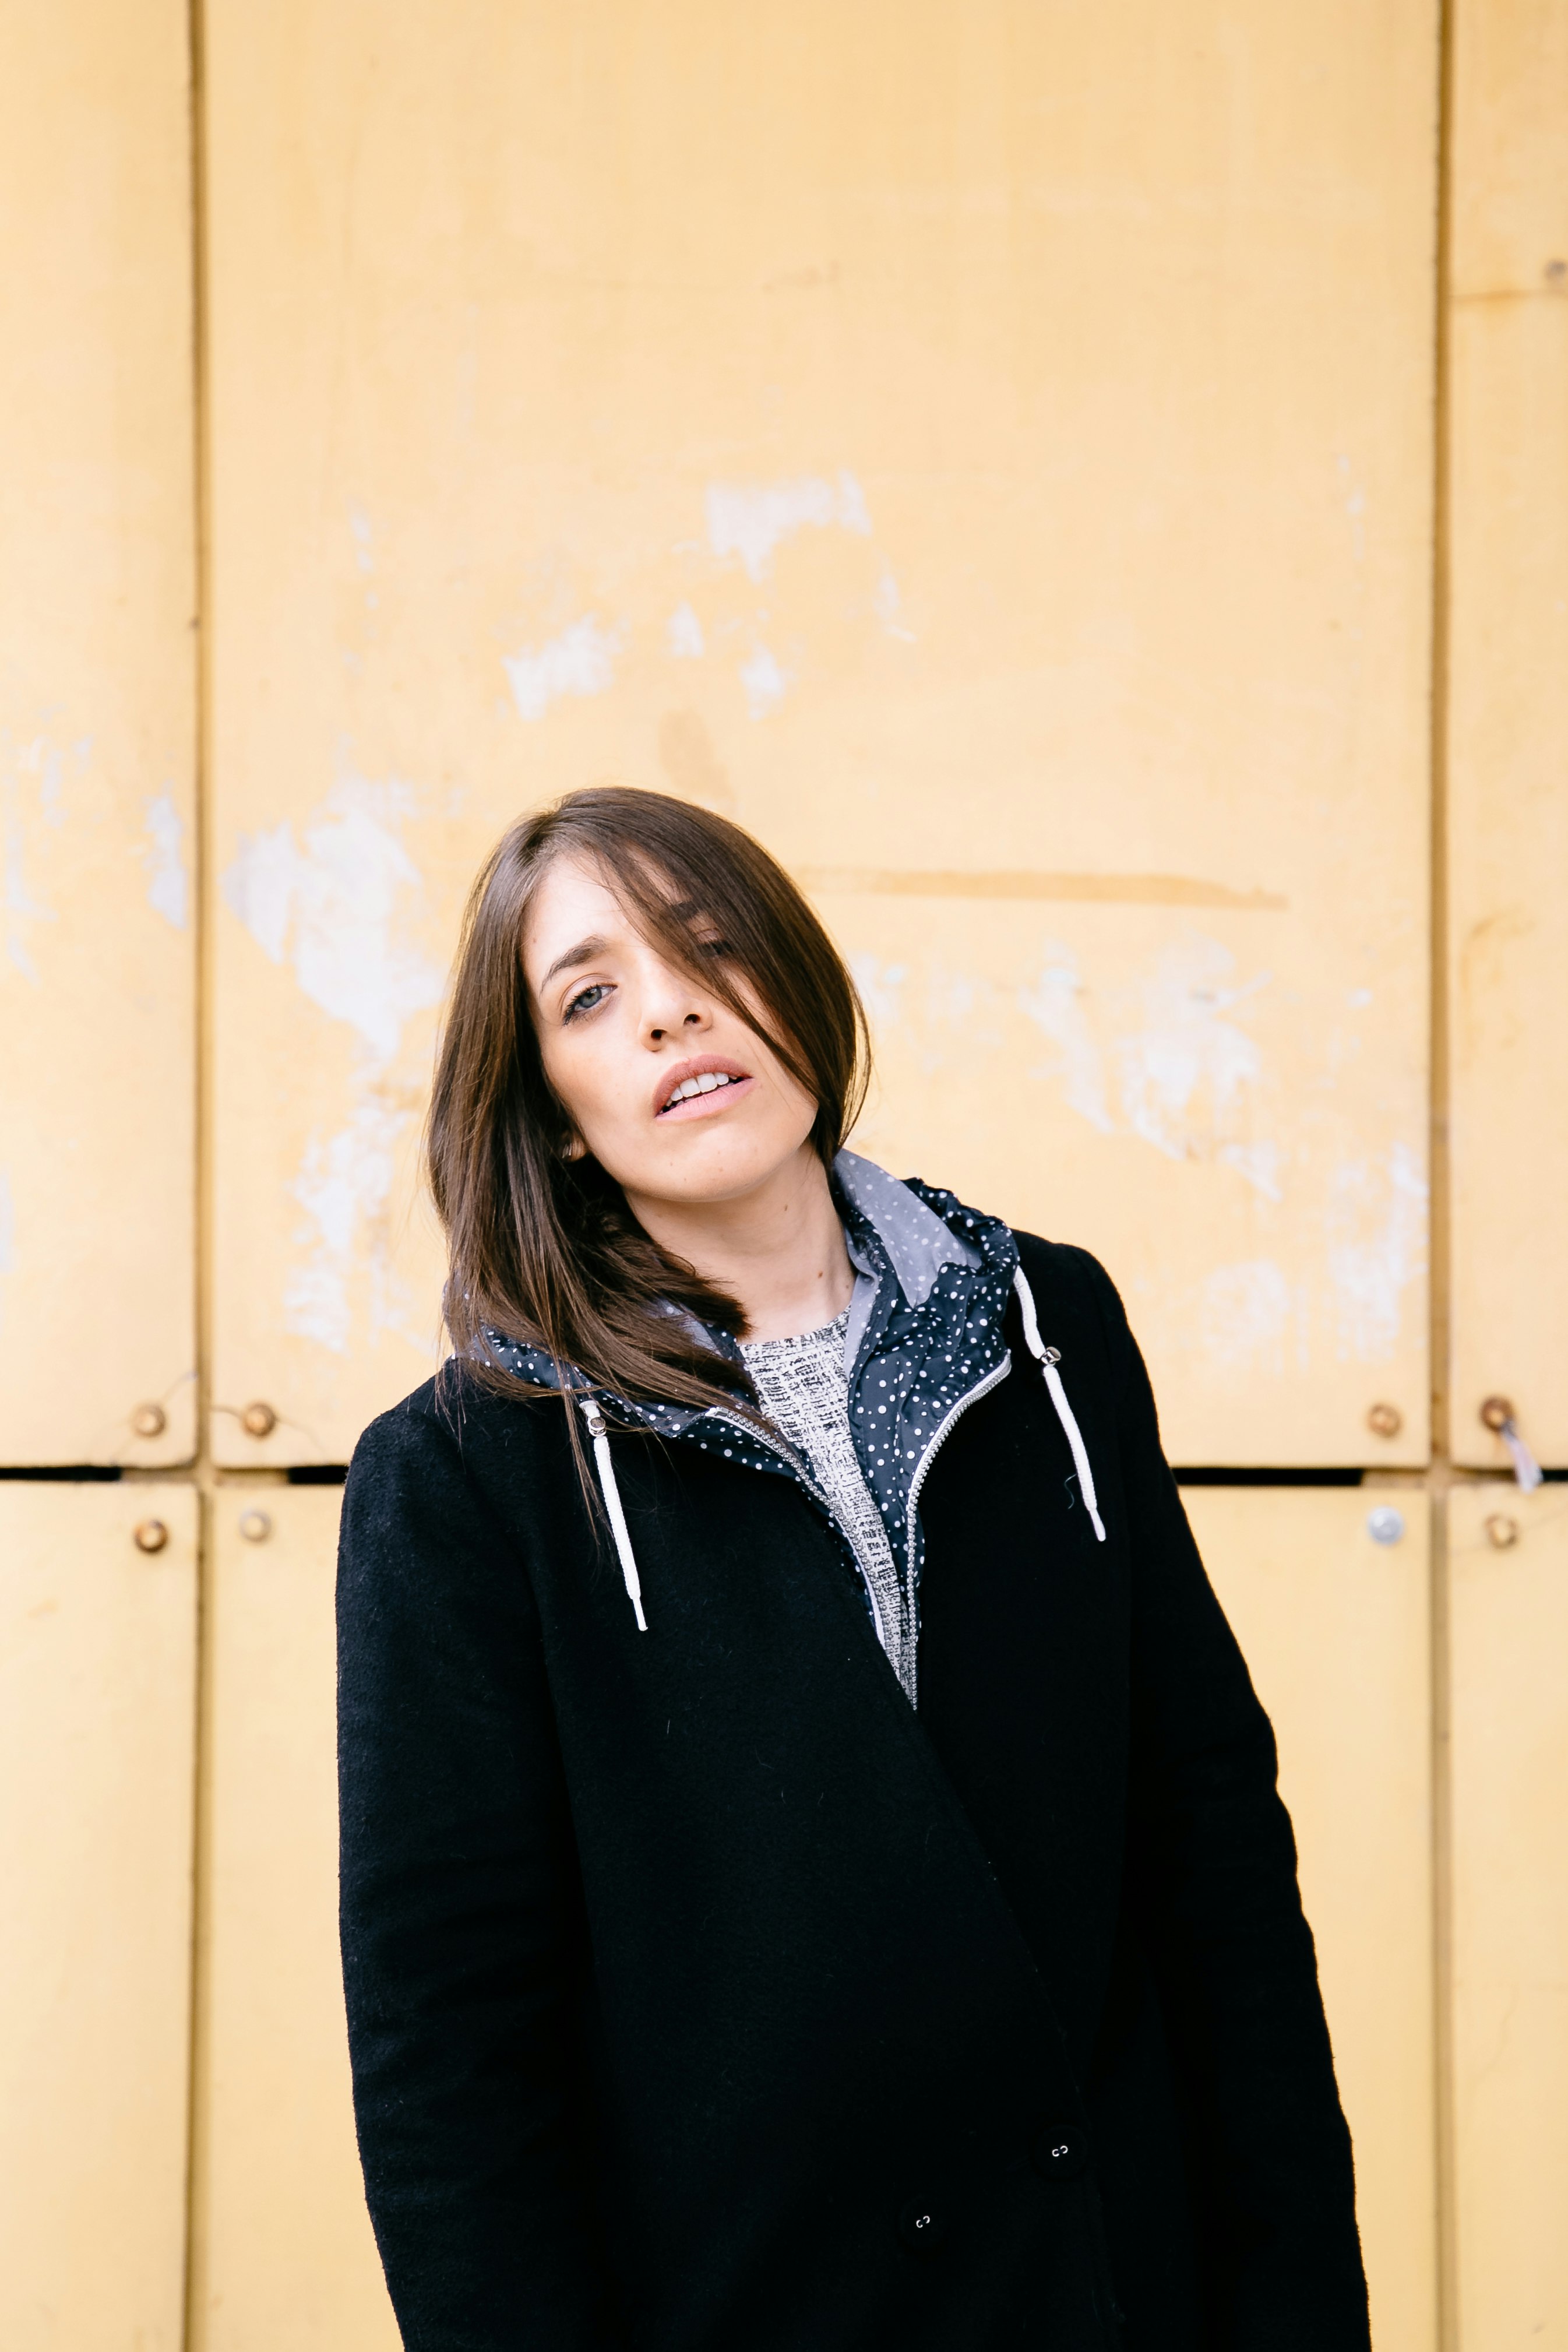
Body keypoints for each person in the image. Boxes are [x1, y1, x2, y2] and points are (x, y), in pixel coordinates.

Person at [337, 786, 1369, 2351]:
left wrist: (1295, 2307)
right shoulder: (466, 1473)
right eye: (590, 993)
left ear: (792, 988)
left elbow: (1211, 1849)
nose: (673, 1004)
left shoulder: (1047, 1328)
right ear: (549, 1101)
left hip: (1105, 2294)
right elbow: (449, 2045)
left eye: (706, 943)